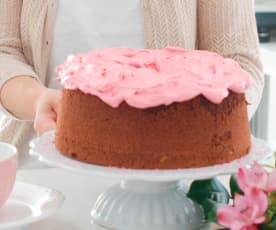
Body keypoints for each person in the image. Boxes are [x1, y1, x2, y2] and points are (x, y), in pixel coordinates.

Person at [0, 0, 264, 168]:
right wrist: (37, 100)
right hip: (41, 180)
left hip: (175, 185)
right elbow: (4, 51)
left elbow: (240, 62)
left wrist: (192, 130)